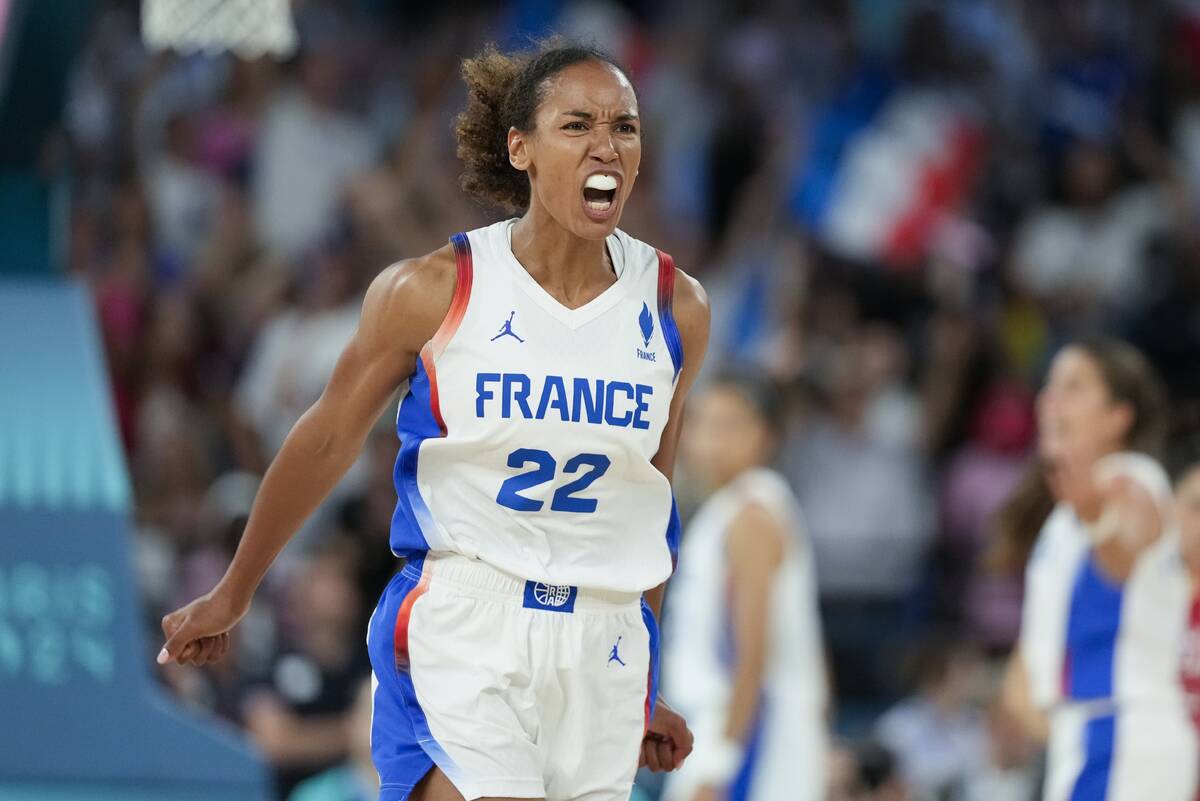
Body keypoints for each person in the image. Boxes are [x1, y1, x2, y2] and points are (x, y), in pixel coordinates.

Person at [156, 41, 709, 801]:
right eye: (577, 125)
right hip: (468, 622)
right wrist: (236, 588)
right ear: (521, 147)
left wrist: (645, 676)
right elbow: (325, 438)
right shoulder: (431, 289)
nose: (606, 145)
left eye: (625, 126)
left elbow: (649, 499)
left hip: (604, 643)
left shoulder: (677, 306)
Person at [998, 338, 1196, 801]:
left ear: (1117, 417)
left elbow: (1129, 542)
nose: (1052, 399)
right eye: (1049, 385)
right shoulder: (1066, 513)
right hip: (1097, 734)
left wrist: (1098, 521)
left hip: (1120, 728)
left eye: (1075, 387)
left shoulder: (1130, 480)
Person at [662, 371, 826, 801]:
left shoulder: (752, 516)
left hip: (753, 733)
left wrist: (724, 761)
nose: (712, 441)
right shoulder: (732, 508)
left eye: (730, 425)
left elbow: (752, 656)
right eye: (703, 424)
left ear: (767, 434)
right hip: (737, 724)